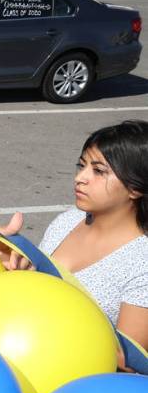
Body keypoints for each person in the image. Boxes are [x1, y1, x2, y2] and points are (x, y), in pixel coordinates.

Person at [36, 121, 148, 357]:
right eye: (82, 165)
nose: (80, 177)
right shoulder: (66, 221)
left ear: (135, 188)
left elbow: (128, 359)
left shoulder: (143, 262)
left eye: (99, 171)